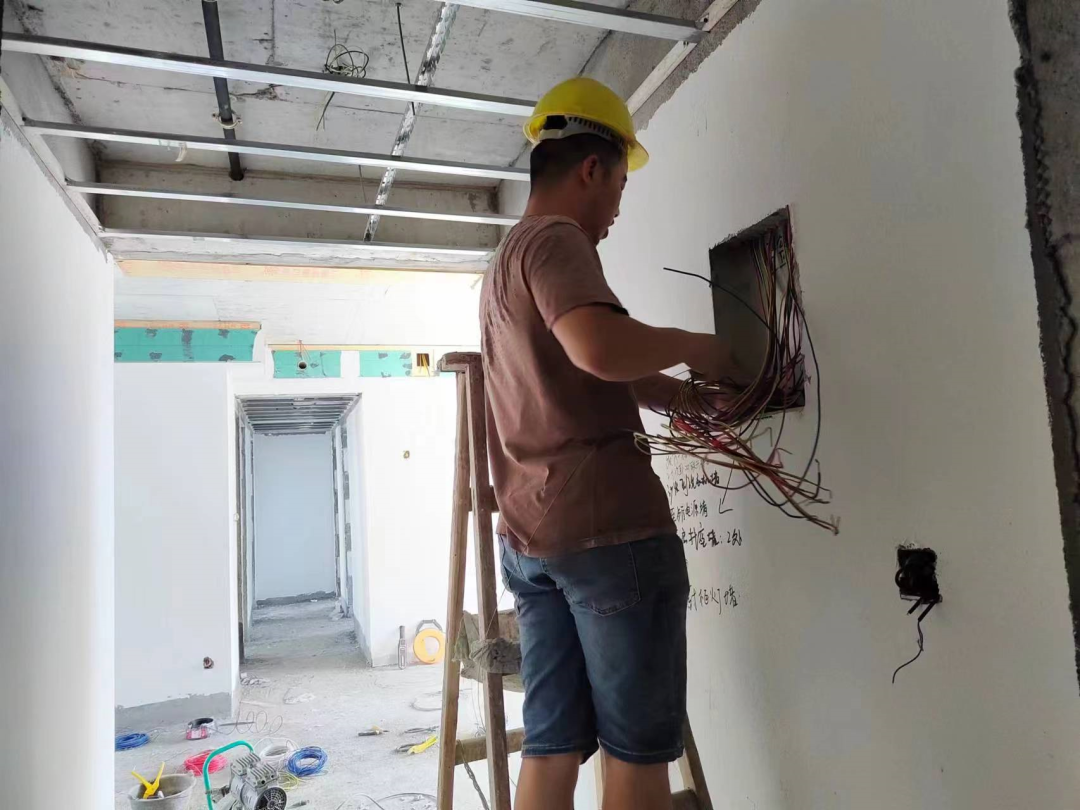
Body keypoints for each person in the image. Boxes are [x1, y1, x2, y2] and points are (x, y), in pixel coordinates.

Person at [479, 77, 738, 810]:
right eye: (621, 186)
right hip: (608, 536)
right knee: (635, 753)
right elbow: (598, 347)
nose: (619, 210)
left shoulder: (504, 261)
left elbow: (584, 365)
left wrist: (682, 398)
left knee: (552, 743)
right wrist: (698, 347)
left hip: (532, 539)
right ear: (592, 168)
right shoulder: (557, 239)